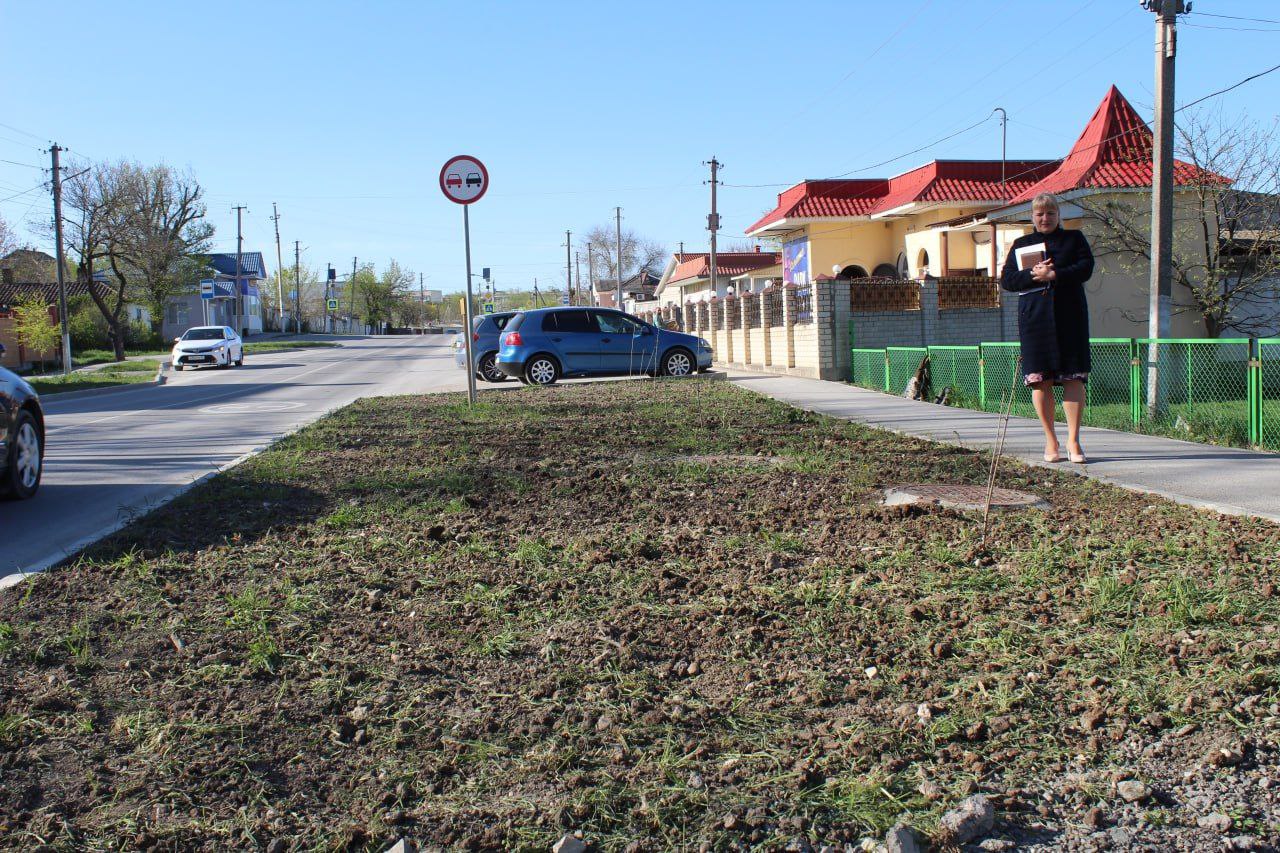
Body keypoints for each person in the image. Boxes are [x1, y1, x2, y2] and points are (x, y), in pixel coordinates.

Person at [999, 193, 1095, 464]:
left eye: (1050, 213)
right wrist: (1033, 275)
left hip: (1070, 318)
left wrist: (1055, 274)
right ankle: (1051, 440)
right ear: (1032, 216)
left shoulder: (1074, 239)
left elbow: (1086, 268)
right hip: (1035, 321)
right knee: (1041, 380)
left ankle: (1074, 441)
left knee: (1073, 377)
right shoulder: (1022, 244)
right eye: (1040, 214)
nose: (1045, 218)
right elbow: (1007, 280)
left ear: (1058, 215)